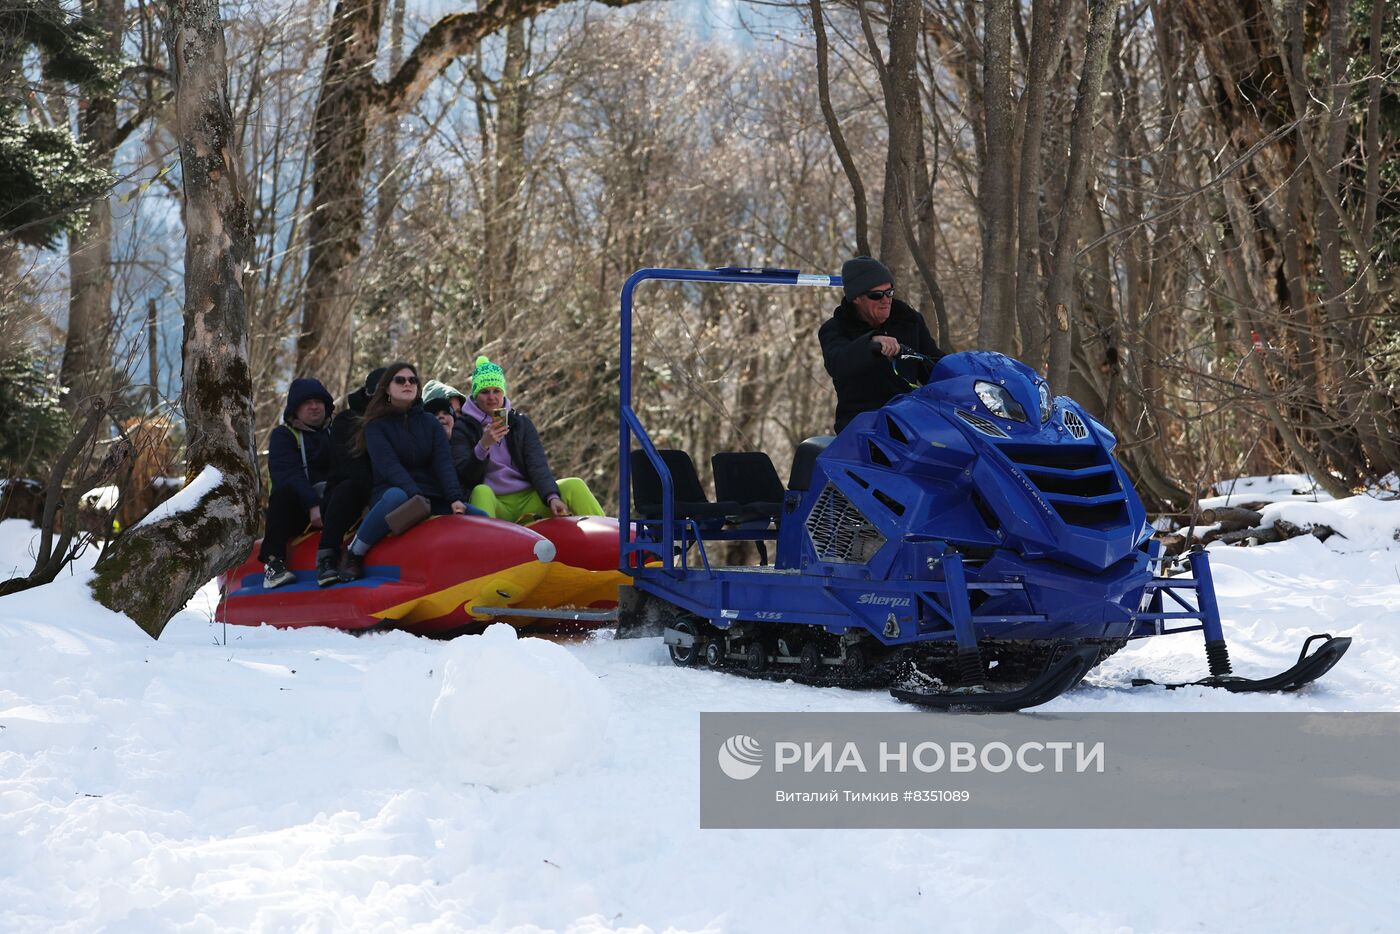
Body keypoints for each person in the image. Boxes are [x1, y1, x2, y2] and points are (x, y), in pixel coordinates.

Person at [338, 363, 479, 582]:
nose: (407, 384)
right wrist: (415, 495)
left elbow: (444, 464)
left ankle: (477, 572)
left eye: (412, 380)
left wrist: (455, 498)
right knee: (398, 496)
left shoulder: (430, 423)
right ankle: (355, 553)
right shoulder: (375, 427)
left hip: (431, 496)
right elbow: (389, 467)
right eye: (400, 380)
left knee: (481, 517)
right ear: (386, 388)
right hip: (393, 497)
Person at [451, 355, 604, 523]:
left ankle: (612, 540)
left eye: (497, 391)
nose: (492, 397)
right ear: (475, 395)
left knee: (574, 485)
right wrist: (483, 445)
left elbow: (537, 464)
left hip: (529, 498)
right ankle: (484, 546)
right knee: (481, 491)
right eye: (485, 392)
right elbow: (465, 477)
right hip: (495, 502)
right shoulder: (463, 427)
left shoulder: (519, 422)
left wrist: (551, 497)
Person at [818, 256, 944, 433]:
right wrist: (871, 343)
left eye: (889, 292)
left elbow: (933, 365)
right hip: (861, 426)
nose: (886, 300)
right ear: (856, 298)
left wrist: (967, 374)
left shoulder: (909, 320)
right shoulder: (835, 329)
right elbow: (838, 362)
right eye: (876, 295)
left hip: (910, 421)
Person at [312, 366, 384, 587]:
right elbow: (350, 465)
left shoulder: (404, 420)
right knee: (348, 488)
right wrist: (375, 499)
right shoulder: (347, 421)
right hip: (351, 493)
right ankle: (327, 556)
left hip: (389, 490)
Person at [260, 378, 335, 588]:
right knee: (284, 494)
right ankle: (274, 563)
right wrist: (313, 504)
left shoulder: (336, 432)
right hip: (299, 510)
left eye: (319, 401)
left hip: (335, 505)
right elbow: (288, 473)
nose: (314, 406)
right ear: (296, 409)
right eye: (307, 402)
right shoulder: (284, 435)